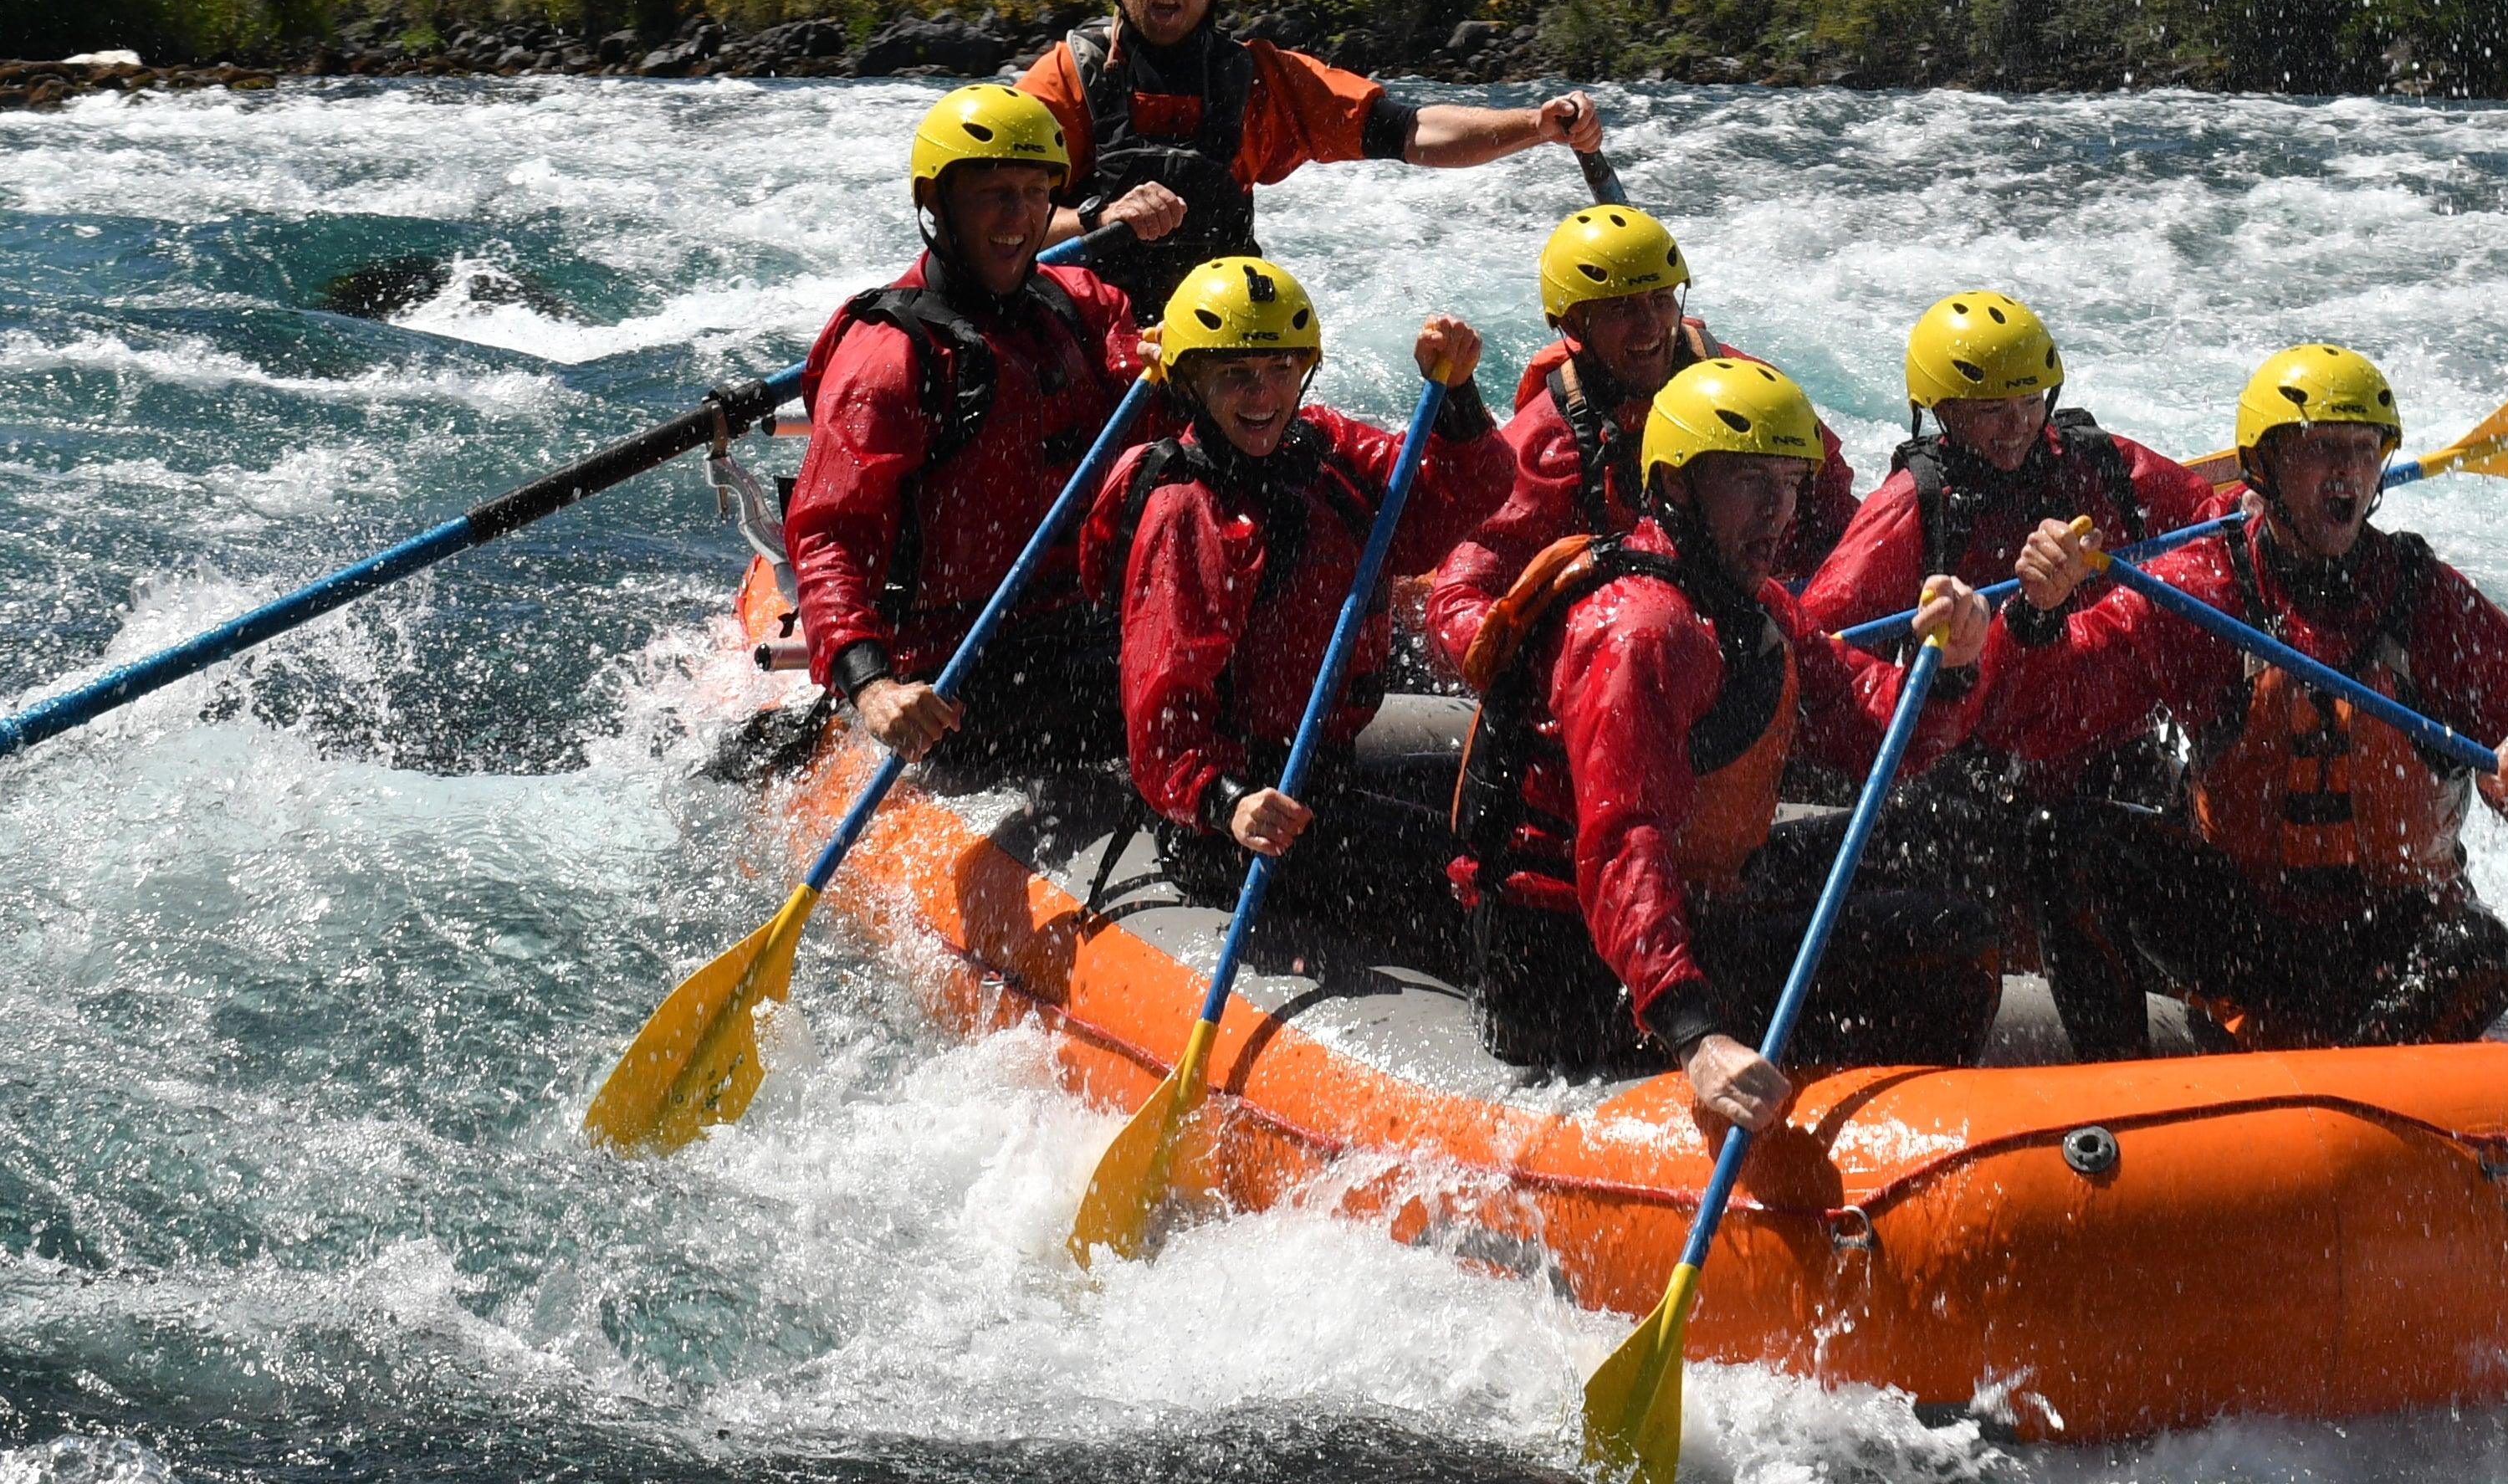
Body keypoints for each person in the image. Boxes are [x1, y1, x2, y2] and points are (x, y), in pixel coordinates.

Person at [1450, 356, 2060, 1131]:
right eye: (1748, 482)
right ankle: (1872, 1155)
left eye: (1788, 483)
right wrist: (1695, 1032)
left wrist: (1951, 664)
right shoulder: (1640, 630)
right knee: (1949, 939)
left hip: (1692, 904)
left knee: (1934, 835)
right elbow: (1621, 844)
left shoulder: (1753, 603)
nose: (1777, 511)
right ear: (1675, 486)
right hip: (1567, 968)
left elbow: (1880, 735)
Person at [2113, 343, 2508, 1049]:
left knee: (2486, 951)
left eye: (2363, 448)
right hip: (2244, 934)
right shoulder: (2203, 586)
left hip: (2388, 937)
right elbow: (2056, 700)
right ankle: (2123, 1099)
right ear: (2264, 466)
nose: (2347, 468)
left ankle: (2360, 1081)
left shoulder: (2432, 604)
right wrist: (2029, 620)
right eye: (2321, 449)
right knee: (2066, 838)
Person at [1796, 289, 2237, 1062]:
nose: (2016, 426)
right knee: (2014, 861)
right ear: (1941, 413)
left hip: (2114, 750)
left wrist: (2259, 508)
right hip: (1980, 769)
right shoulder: (1915, 507)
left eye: (2029, 401)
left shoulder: (2109, 467)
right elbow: (1824, 644)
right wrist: (1937, 660)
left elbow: (2213, 528)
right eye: (1988, 409)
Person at [1077, 253, 1504, 948]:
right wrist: (1229, 802)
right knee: (1469, 883)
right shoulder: (1185, 512)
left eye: (1281, 369)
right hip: (1234, 819)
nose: (1263, 394)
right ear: (1190, 382)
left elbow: (1455, 498)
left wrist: (1456, 396)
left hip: (1318, 767)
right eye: (1236, 376)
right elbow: (1162, 727)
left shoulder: (1323, 447)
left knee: (1500, 812)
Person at [1017, 0, 1606, 318]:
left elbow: (1413, 131)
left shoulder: (1261, 83)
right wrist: (1100, 215)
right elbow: (989, 225)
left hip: (1214, 342)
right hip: (1085, 333)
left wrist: (1535, 125)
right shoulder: (1067, 80)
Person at [780, 84, 1149, 774]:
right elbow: (828, 537)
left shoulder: (1077, 305)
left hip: (1081, 626)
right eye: (994, 193)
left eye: (1036, 193)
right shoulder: (888, 358)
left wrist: (1191, 365)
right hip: (955, 664)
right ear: (935, 203)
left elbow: (1156, 401)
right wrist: (871, 683)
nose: (1020, 218)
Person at [1419, 204, 1858, 680]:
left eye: (1660, 300)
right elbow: (1458, 597)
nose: (1650, 326)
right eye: (1622, 307)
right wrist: (1575, 665)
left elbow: (1845, 531)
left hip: (1758, 623)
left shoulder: (1754, 397)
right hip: (1627, 646)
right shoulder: (1548, 445)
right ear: (1574, 324)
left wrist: (1812, 637)